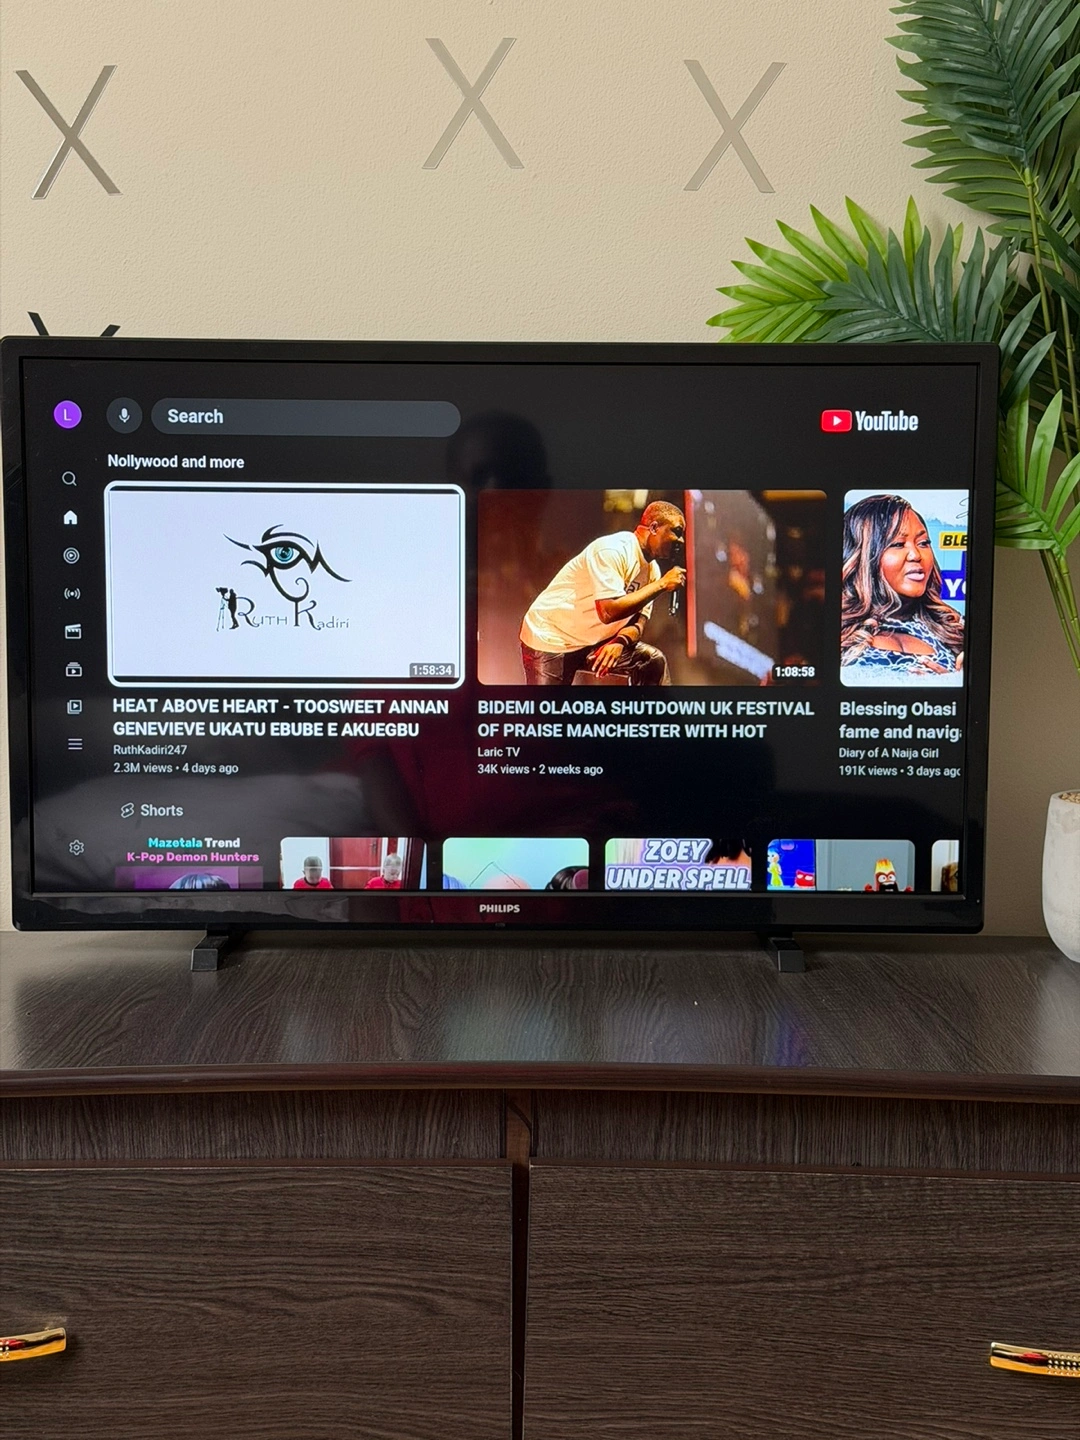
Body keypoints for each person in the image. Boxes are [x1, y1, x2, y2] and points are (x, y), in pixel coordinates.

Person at [519, 501, 687, 685]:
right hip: (552, 637)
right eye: (677, 532)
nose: (681, 541)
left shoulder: (653, 572)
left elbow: (638, 624)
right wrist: (662, 585)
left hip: (593, 641)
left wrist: (620, 642)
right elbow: (608, 612)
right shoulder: (612, 550)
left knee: (652, 662)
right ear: (654, 527)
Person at [841, 495, 964, 683]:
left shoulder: (953, 630)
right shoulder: (832, 632)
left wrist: (953, 682)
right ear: (863, 556)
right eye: (898, 544)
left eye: (923, 543)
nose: (916, 555)